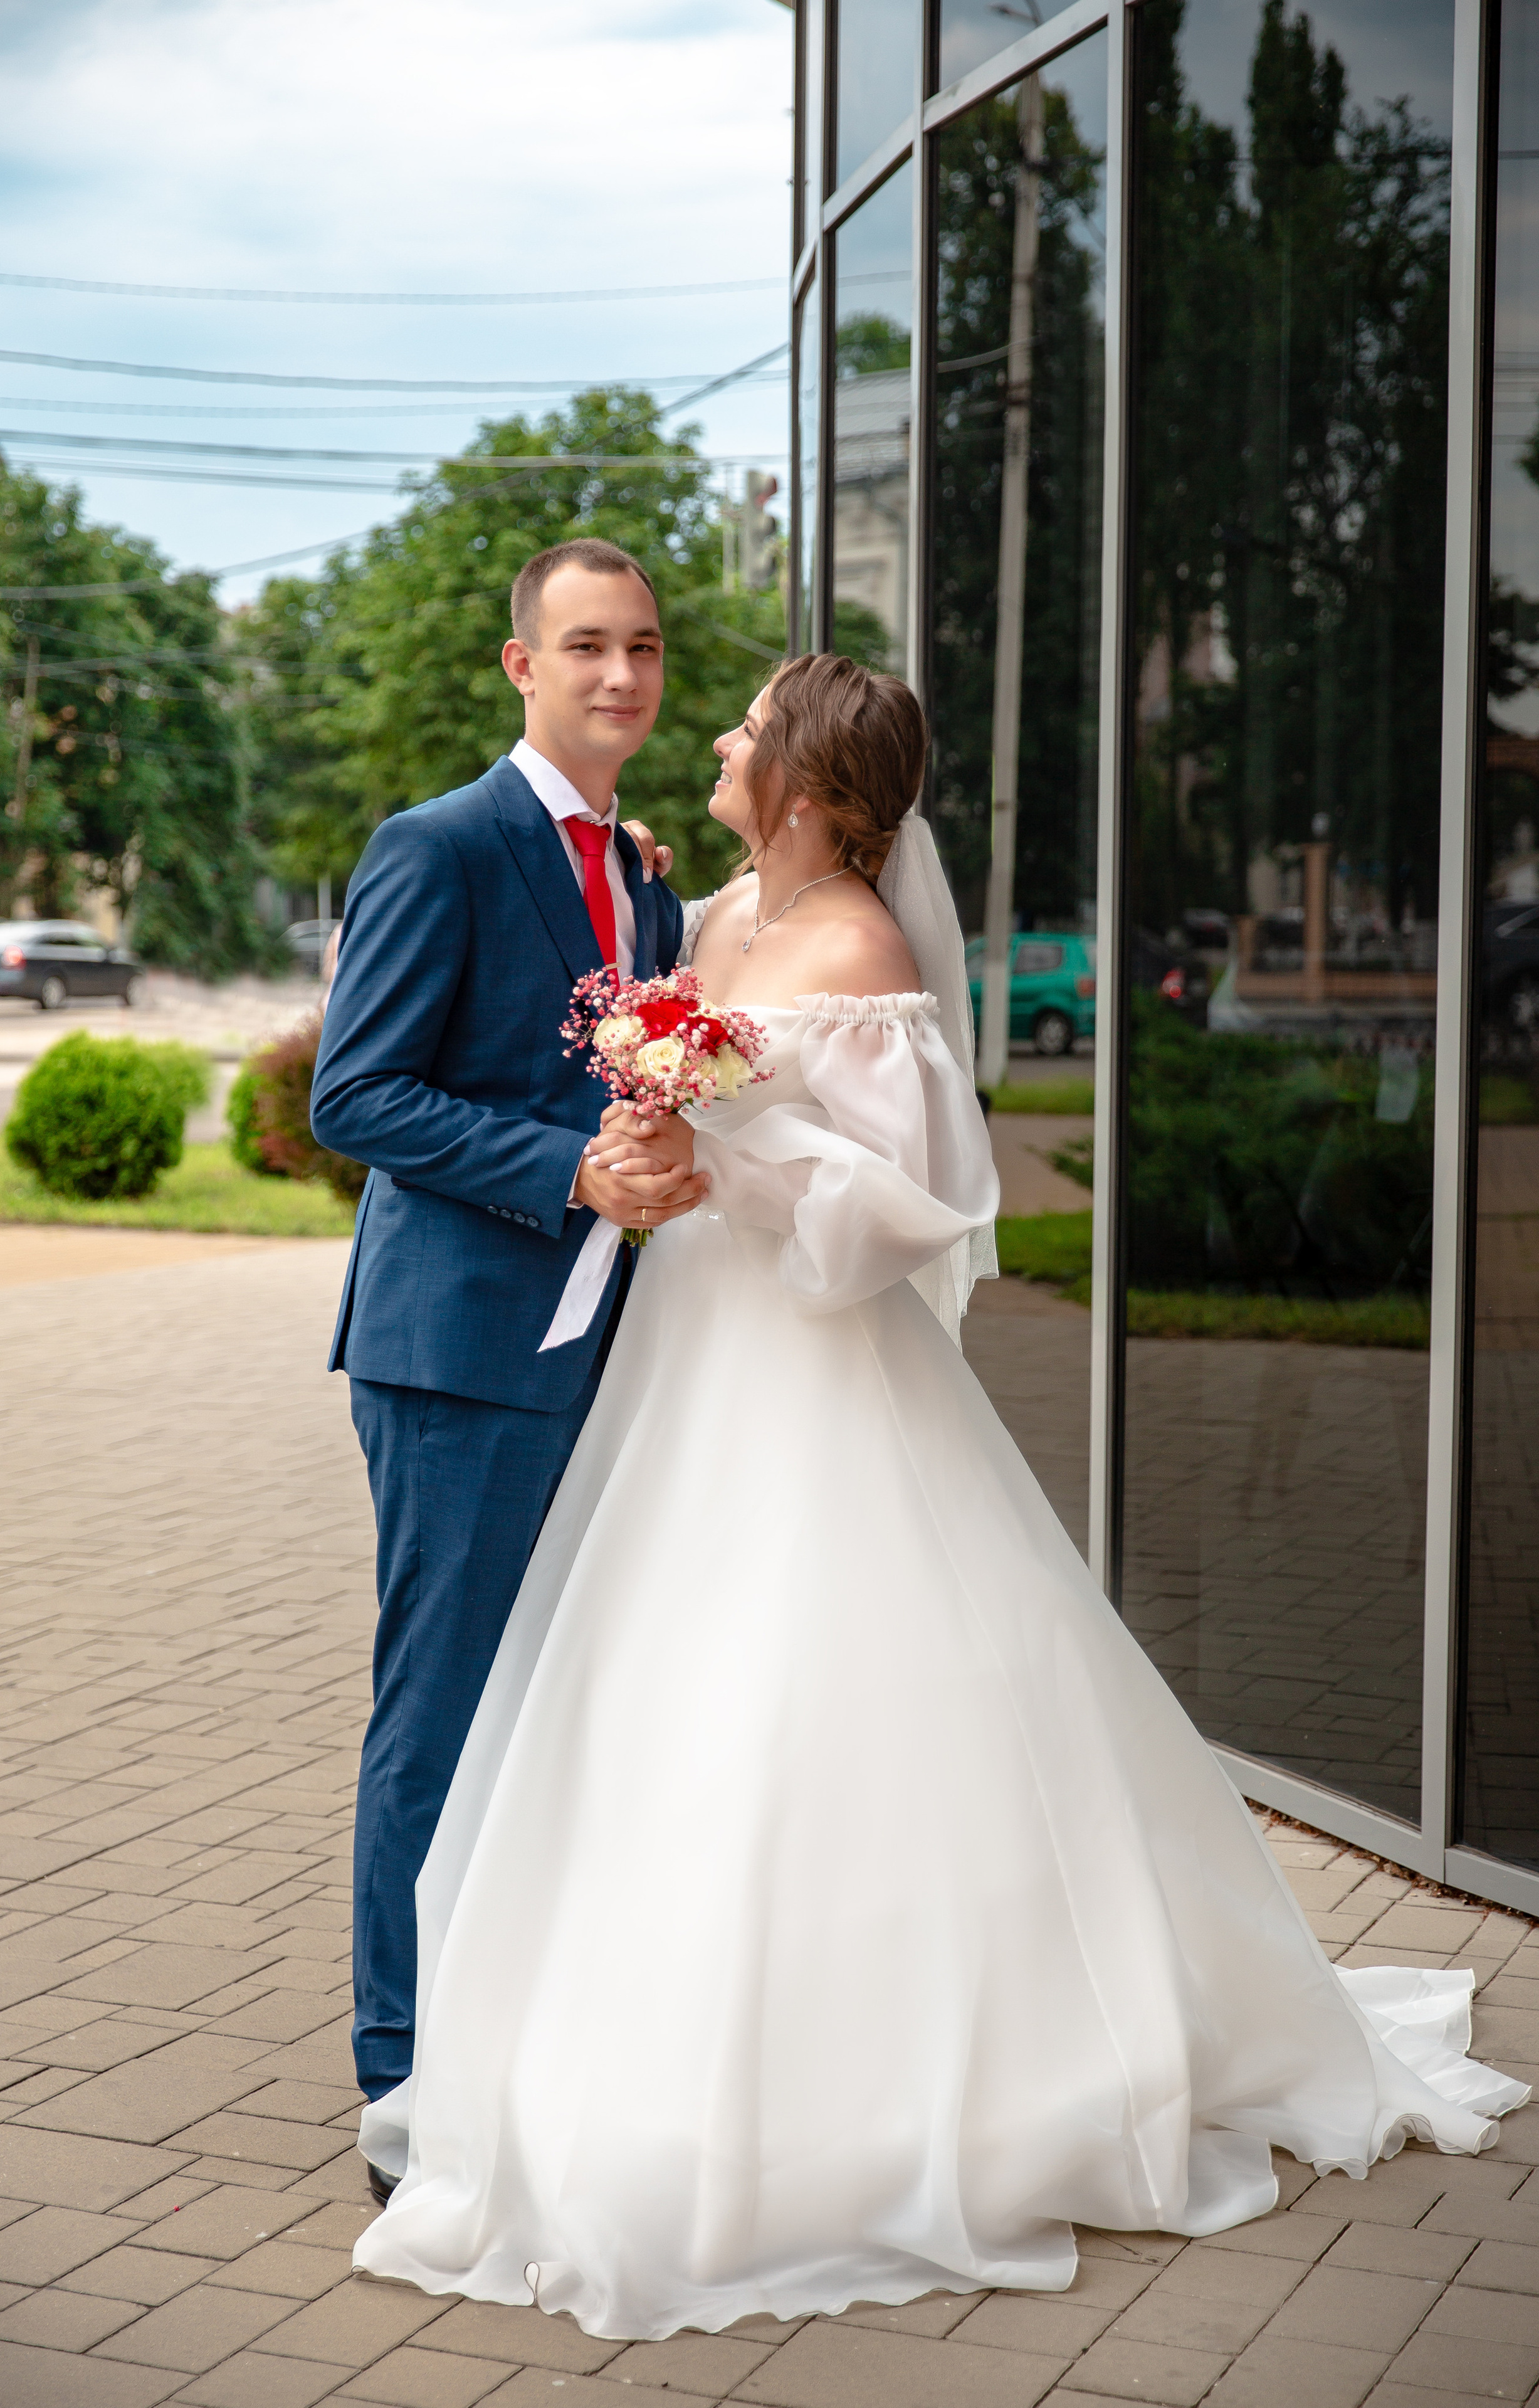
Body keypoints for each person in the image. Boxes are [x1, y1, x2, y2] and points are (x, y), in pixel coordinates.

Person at [352, 653, 1525, 2335]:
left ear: (811, 792)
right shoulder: (709, 921)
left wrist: (734, 1161)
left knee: (820, 1690)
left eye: (748, 729)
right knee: (653, 1689)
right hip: (688, 1356)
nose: (719, 737)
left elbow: (927, 1205)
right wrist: (656, 1119)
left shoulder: (862, 951)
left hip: (817, 1370)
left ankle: (913, 2084)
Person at [309, 538, 699, 2172]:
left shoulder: (654, 874)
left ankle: (526, 2031)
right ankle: (401, 2080)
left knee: (559, 1706)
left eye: (646, 647)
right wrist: (569, 1170)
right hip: (461, 1350)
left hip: (613, 1344)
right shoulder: (442, 847)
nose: (620, 675)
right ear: (519, 665)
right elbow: (358, 1095)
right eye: (586, 646)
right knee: (444, 1706)